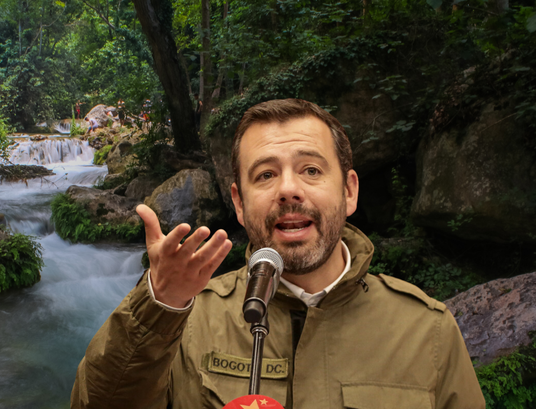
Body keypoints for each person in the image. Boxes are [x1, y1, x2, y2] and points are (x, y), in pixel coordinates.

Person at [70, 99, 485, 408]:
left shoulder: (428, 331)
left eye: (311, 170)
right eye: (266, 174)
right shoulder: (188, 318)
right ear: (238, 203)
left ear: (349, 191)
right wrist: (159, 304)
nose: (288, 189)